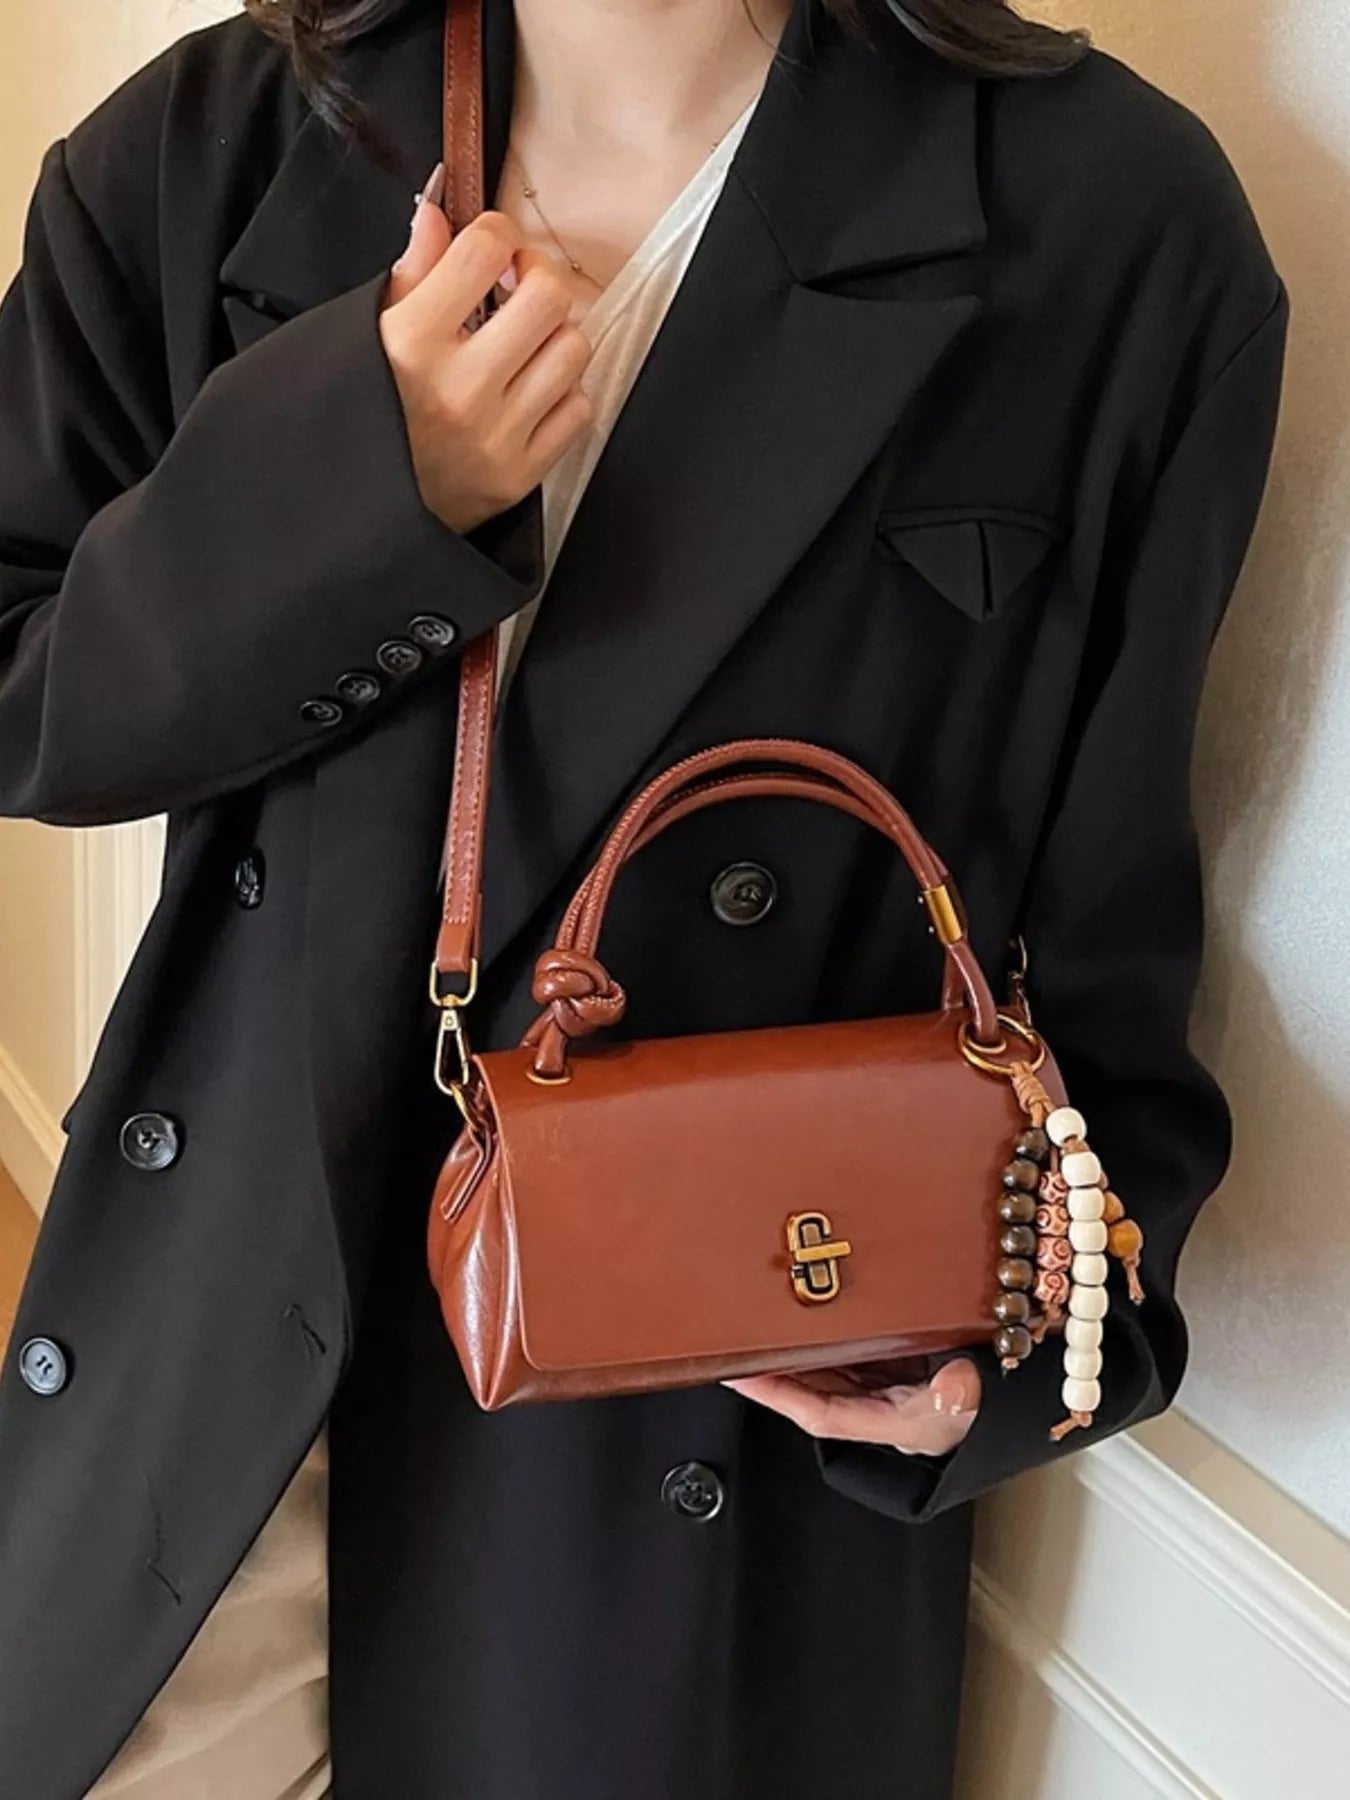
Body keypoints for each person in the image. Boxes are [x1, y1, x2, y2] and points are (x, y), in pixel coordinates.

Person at [0, 0, 1286, 1794]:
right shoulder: (208, 147)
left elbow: (1108, 966)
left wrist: (1006, 1369)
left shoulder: (1111, 224)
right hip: (214, 1399)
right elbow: (26, 693)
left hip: (678, 1476)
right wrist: (357, 490)